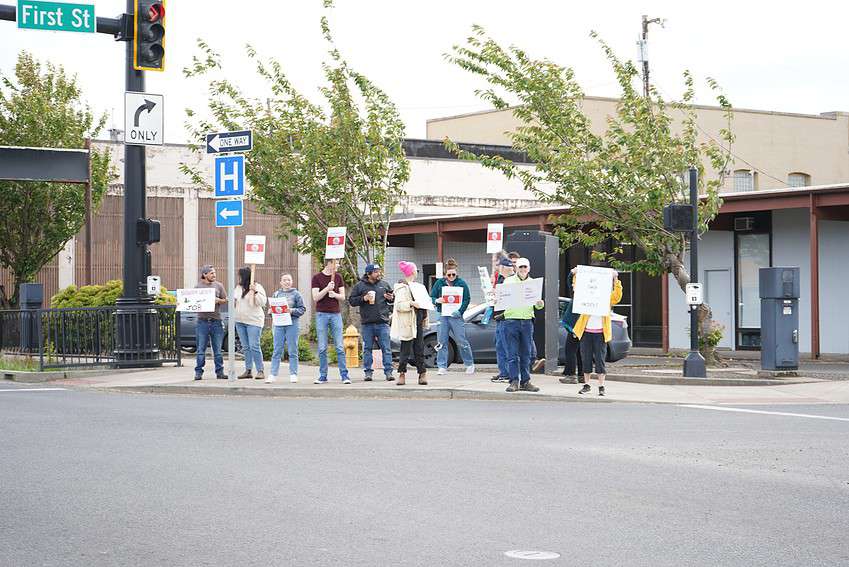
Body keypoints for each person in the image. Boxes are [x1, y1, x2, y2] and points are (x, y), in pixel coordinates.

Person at [574, 269, 623, 397]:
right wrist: (576, 274)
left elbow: (617, 296)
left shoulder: (607, 298)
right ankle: (587, 384)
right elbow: (577, 289)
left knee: (600, 360)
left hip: (601, 333)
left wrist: (615, 279)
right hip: (586, 332)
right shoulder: (586, 296)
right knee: (586, 359)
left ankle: (601, 386)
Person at [502, 257, 544, 392]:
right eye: (520, 267)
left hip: (526, 321)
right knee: (512, 353)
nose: (523, 269)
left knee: (526, 353)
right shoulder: (508, 281)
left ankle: (525, 381)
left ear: (529, 268)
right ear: (516, 268)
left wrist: (539, 304)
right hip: (511, 320)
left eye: (525, 267)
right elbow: (502, 298)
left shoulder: (534, 283)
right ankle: (514, 381)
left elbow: (536, 305)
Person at [348, 263, 395, 382]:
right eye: (376, 272)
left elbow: (392, 299)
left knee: (386, 348)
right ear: (369, 274)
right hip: (367, 323)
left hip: (382, 322)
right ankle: (368, 373)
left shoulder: (384, 284)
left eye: (379, 271)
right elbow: (352, 301)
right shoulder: (360, 286)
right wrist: (363, 299)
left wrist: (391, 298)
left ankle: (388, 372)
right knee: (367, 348)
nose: (379, 274)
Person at [430, 258, 475, 375]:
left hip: (456, 316)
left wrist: (460, 311)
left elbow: (466, 299)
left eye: (453, 274)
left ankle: (469, 364)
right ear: (445, 273)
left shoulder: (461, 283)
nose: (451, 276)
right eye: (449, 274)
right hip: (442, 315)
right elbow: (431, 297)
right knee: (441, 341)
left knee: (462, 340)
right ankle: (442, 366)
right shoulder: (439, 283)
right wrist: (436, 300)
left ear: (457, 272)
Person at [311, 258, 350, 384]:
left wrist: (335, 295)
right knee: (322, 347)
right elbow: (316, 297)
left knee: (339, 346)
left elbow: (343, 297)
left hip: (335, 314)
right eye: (336, 263)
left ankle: (344, 375)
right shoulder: (316, 278)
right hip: (321, 314)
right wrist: (327, 289)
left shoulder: (338, 277)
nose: (338, 265)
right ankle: (323, 375)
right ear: (329, 263)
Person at [391, 261, 427, 386]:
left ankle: (422, 373)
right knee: (405, 349)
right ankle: (401, 374)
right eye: (416, 270)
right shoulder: (402, 288)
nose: (416, 273)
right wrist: (411, 303)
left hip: (418, 320)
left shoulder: (419, 287)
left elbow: (424, 302)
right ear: (412, 272)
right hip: (407, 322)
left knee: (419, 348)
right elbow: (399, 306)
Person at [268, 273, 306, 384]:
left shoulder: (296, 294)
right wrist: (270, 312)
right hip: (279, 324)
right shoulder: (276, 294)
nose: (287, 282)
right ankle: (273, 374)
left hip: (292, 324)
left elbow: (302, 309)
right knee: (277, 350)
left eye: (289, 280)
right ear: (281, 282)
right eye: (284, 280)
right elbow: (273, 310)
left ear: (292, 281)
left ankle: (293, 374)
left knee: (292, 349)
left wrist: (292, 310)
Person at [194, 265, 228, 380]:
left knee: (218, 350)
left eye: (214, 273)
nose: (214, 275)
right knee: (200, 349)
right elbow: (193, 302)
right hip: (202, 321)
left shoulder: (219, 286)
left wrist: (219, 300)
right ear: (205, 274)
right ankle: (198, 372)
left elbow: (225, 300)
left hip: (216, 321)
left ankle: (220, 372)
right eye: (211, 273)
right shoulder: (198, 287)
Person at [234, 266, 267, 380]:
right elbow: (236, 300)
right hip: (240, 321)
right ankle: (248, 370)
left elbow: (262, 302)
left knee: (254, 346)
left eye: (240, 276)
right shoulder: (238, 287)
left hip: (254, 321)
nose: (239, 278)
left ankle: (260, 370)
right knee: (246, 347)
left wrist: (255, 292)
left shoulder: (257, 286)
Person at [490, 256, 515, 383]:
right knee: (500, 346)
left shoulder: (512, 280)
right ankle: (503, 373)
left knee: (507, 347)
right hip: (499, 317)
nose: (498, 268)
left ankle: (510, 374)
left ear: (504, 267)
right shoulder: (499, 279)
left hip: (508, 317)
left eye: (499, 266)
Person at [559, 269, 584, 384]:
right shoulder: (582, 294)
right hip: (579, 327)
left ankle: (571, 375)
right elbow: (570, 283)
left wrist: (572, 273)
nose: (573, 285)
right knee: (578, 351)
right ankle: (581, 375)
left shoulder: (580, 297)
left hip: (576, 327)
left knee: (570, 350)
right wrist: (572, 273)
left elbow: (570, 284)